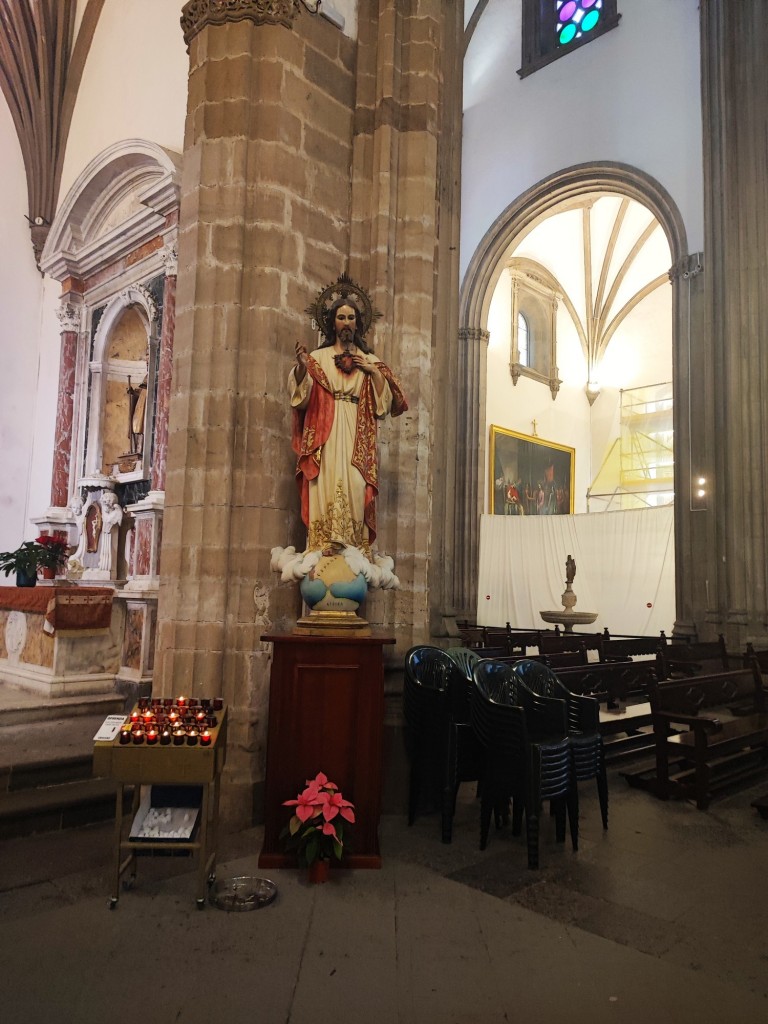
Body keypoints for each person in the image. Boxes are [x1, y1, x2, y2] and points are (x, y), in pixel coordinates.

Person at [290, 296, 408, 557]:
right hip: (326, 432)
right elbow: (300, 399)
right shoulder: (317, 358)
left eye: (351, 318)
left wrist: (373, 372)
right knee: (326, 481)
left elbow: (385, 405)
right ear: (332, 322)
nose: (346, 323)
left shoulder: (369, 360)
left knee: (356, 483)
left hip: (357, 429)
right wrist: (300, 368)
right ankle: (325, 544)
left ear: (358, 324)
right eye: (341, 317)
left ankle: (355, 545)